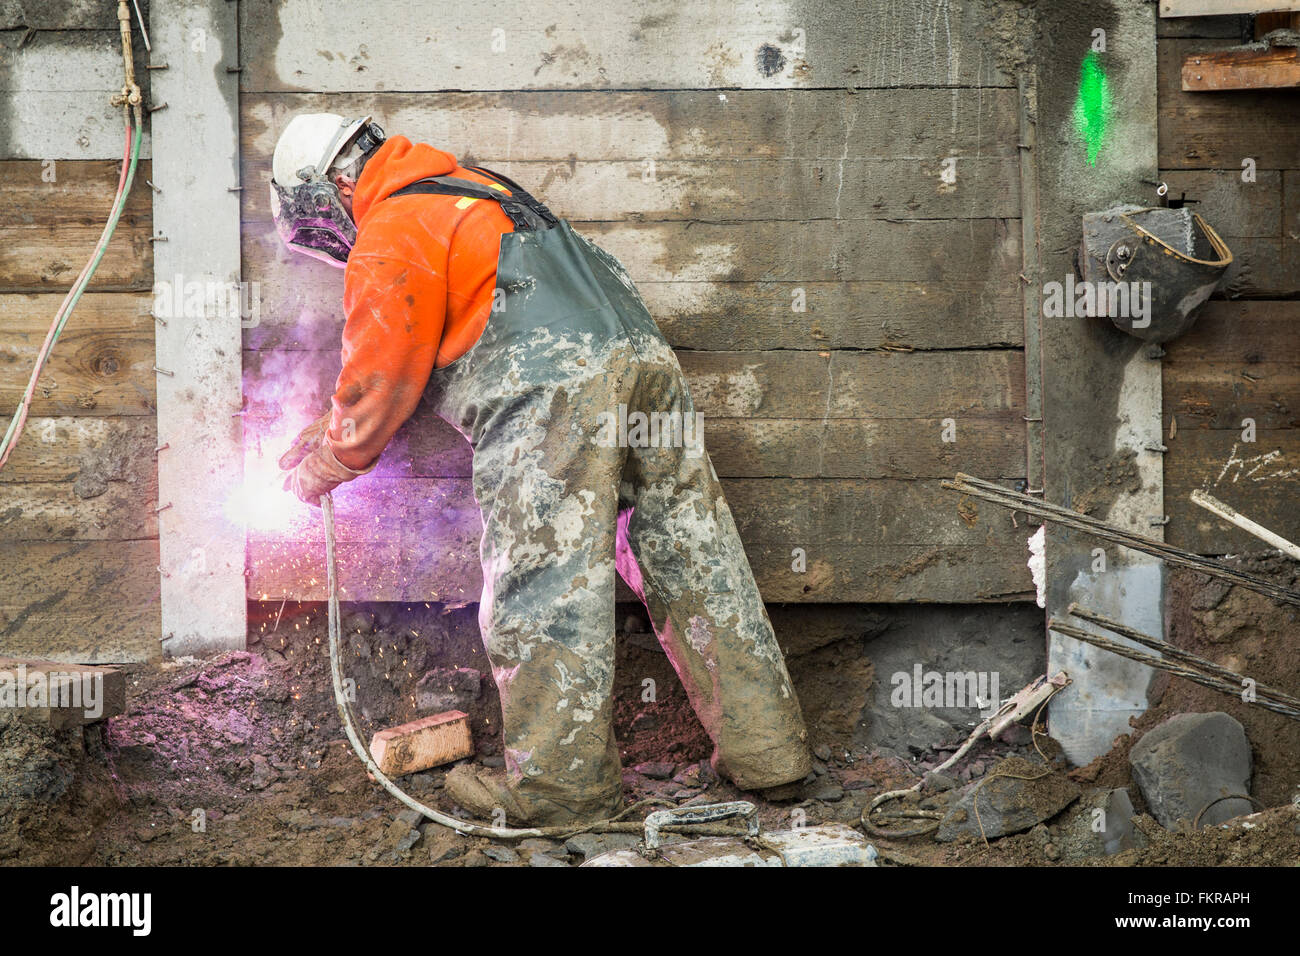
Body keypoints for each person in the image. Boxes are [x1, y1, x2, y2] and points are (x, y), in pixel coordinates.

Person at [270, 113, 811, 825]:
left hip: (555, 393)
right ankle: (770, 755)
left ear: (335, 185)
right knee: (691, 553)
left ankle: (561, 792)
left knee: (543, 580)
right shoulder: (477, 189)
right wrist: (330, 424)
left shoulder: (392, 225)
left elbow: (381, 375)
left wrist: (330, 460)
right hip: (641, 363)